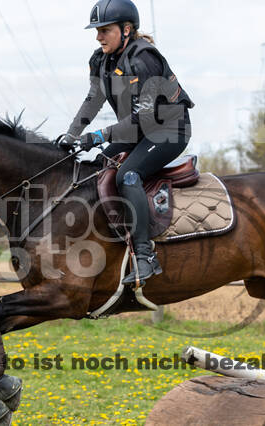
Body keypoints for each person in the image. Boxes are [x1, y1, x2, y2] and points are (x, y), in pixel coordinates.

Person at [57, 0, 194, 284]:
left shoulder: (144, 59)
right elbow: (92, 100)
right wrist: (70, 135)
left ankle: (145, 257)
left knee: (128, 176)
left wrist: (98, 136)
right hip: (138, 132)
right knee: (96, 169)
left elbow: (144, 118)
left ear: (126, 29)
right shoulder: (100, 60)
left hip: (169, 130)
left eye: (105, 30)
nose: (98, 36)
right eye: (97, 30)